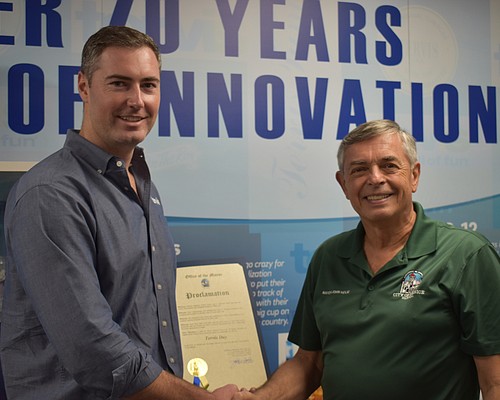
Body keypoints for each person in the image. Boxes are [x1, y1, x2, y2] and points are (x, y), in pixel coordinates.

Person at [0, 26, 238, 400]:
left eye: (148, 85)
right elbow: (93, 348)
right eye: (119, 84)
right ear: (83, 86)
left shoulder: (141, 185)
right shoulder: (50, 194)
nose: (137, 100)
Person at [232, 119, 500, 400]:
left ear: (414, 176)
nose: (375, 178)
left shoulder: (466, 255)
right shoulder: (328, 257)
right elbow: (308, 364)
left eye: (389, 165)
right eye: (359, 169)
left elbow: (495, 383)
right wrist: (259, 398)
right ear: (344, 184)